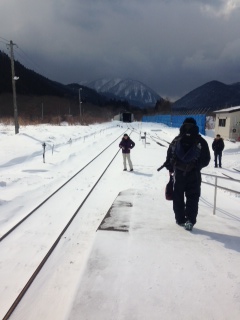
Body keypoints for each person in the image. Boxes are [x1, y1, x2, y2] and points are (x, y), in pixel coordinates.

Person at [164, 117, 210, 231]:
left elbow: (169, 156)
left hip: (179, 174)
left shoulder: (177, 140)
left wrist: (171, 168)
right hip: (194, 174)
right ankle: (190, 220)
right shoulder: (201, 141)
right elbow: (206, 159)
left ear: (183, 125)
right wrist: (197, 166)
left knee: (178, 197)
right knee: (193, 197)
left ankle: (180, 220)